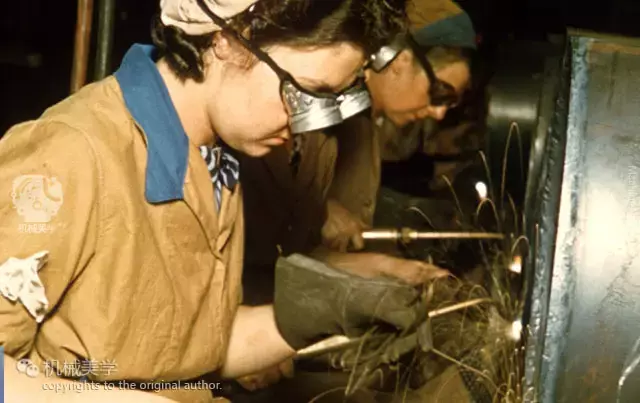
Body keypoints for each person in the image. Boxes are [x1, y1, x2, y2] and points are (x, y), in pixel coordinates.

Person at [0, 1, 431, 402]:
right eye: (301, 93)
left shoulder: (216, 161)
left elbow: (189, 355)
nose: (303, 127)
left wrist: (318, 315)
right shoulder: (72, 153)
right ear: (229, 37)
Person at [322, 0, 478, 252]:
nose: (438, 114)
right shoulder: (328, 110)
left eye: (449, 103)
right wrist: (322, 212)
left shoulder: (370, 122)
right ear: (399, 62)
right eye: (439, 93)